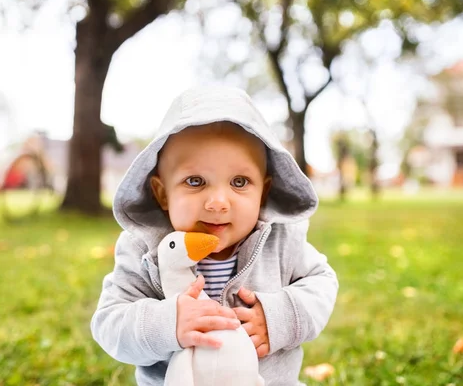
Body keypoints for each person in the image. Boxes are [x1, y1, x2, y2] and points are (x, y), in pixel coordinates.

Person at [91, 85, 338, 385]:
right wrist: (168, 323)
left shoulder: (282, 241)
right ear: (162, 193)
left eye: (239, 181)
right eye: (195, 181)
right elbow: (109, 323)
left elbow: (322, 283)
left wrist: (280, 317)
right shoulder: (144, 251)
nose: (218, 202)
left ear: (264, 192)